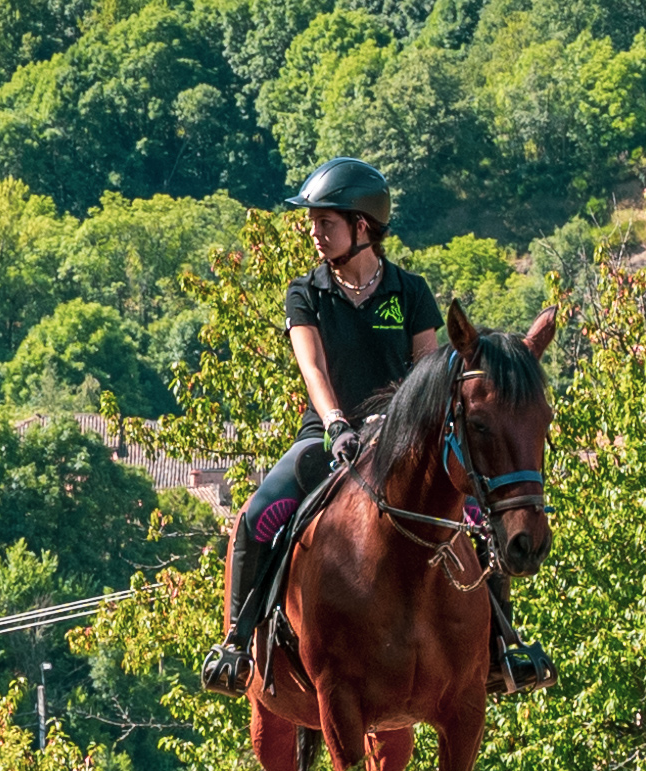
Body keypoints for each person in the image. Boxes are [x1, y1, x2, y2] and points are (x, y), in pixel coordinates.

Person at [195, 159, 551, 698]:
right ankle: (237, 644)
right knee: (253, 518)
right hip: (326, 438)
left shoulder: (410, 292)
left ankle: (503, 648)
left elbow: (428, 373)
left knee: (480, 520)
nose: (315, 233)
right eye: (313, 223)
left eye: (326, 223)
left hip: (400, 441)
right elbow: (312, 368)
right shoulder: (306, 293)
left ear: (362, 227)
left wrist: (399, 424)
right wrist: (337, 423)